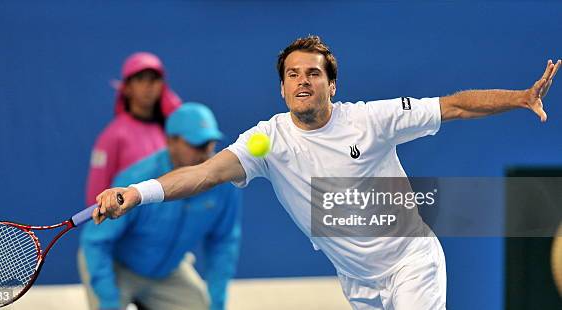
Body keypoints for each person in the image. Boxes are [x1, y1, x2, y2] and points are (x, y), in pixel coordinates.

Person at [92, 36, 560, 309]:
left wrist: (519, 97)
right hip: (357, 281)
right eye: (293, 74)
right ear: (281, 88)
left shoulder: (371, 119)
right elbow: (204, 174)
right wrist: (137, 192)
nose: (302, 81)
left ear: (331, 85)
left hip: (412, 262)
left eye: (313, 74)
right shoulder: (267, 141)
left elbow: (454, 106)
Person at [79, 102, 241, 310]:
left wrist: (217, 303)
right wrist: (108, 299)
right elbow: (95, 242)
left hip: (167, 273)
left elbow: (223, 243)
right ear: (170, 141)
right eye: (197, 144)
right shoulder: (137, 179)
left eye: (210, 144)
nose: (205, 153)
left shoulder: (223, 185)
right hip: (115, 267)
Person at [85, 52, 182, 206]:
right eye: (140, 79)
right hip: (126, 224)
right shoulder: (112, 136)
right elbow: (95, 198)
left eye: (153, 79)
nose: (148, 86)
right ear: (127, 87)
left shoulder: (169, 132)